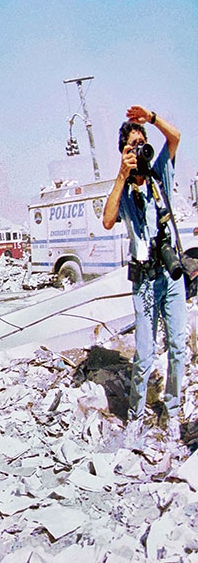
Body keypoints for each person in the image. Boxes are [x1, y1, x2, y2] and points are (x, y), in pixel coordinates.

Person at [102, 105, 186, 445]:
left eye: (141, 144)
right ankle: (136, 418)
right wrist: (122, 174)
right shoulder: (123, 190)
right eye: (131, 146)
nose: (139, 150)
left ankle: (173, 411)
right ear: (123, 152)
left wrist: (149, 118)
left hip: (172, 275)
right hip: (145, 282)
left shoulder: (160, 174)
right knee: (145, 356)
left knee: (179, 347)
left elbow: (176, 136)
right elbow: (107, 220)